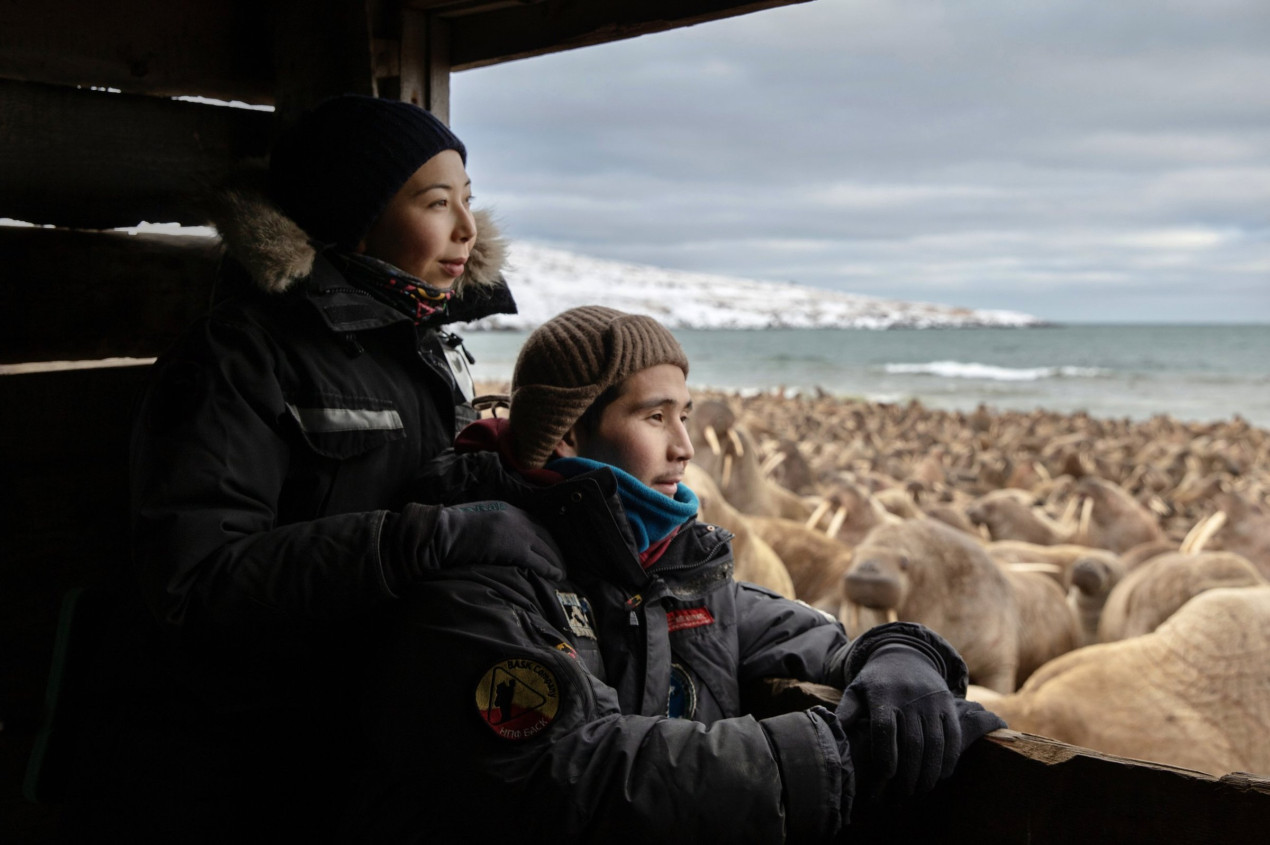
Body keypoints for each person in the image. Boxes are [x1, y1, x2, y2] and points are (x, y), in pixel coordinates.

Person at [68, 95, 558, 841]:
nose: (466, 227)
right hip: (236, 770)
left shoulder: (422, 344)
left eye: (469, 199)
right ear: (354, 214)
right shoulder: (241, 356)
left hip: (354, 745)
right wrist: (423, 539)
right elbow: (197, 579)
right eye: (436, 202)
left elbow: (391, 487)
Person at [344, 306, 1005, 843]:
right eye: (655, 416)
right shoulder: (478, 572)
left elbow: (790, 627)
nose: (684, 446)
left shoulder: (663, 569)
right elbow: (575, 772)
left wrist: (897, 650)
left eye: (685, 416)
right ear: (568, 432)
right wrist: (836, 756)